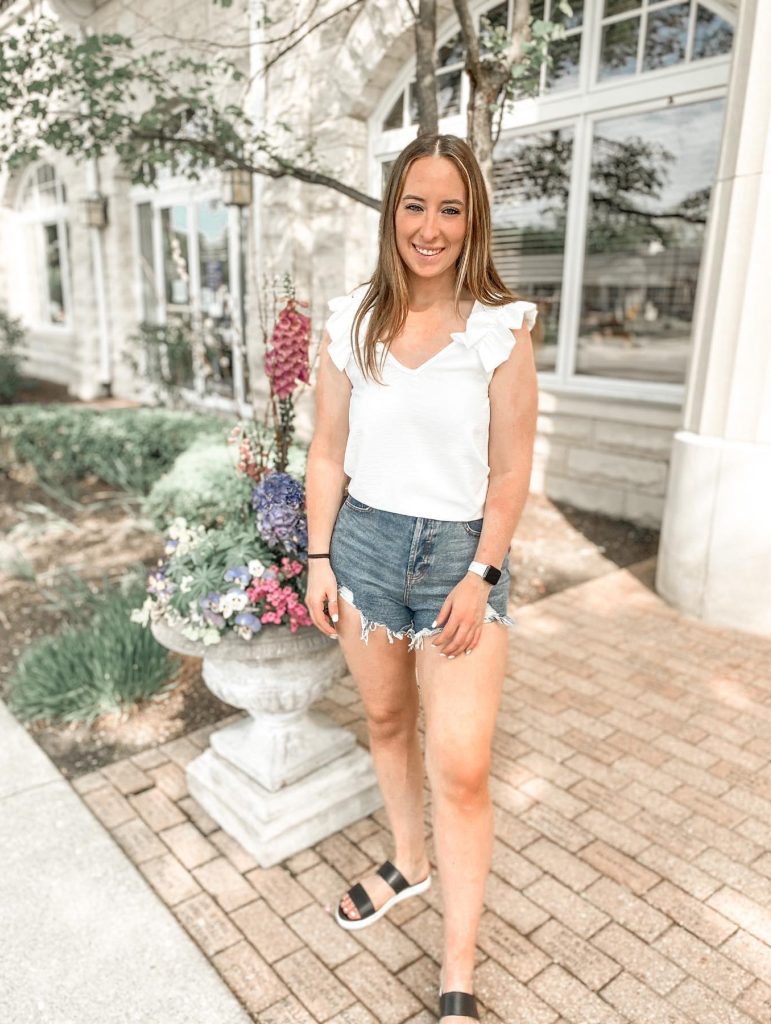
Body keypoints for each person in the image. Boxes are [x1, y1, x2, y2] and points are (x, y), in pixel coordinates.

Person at [304, 132, 539, 1023]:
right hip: (362, 550)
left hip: (458, 563)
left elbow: (509, 471)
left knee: (463, 767)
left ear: (471, 219)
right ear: (391, 213)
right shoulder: (350, 322)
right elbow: (327, 451)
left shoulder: (498, 329)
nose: (429, 227)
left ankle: (457, 972)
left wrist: (482, 573)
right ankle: (408, 861)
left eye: (449, 208)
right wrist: (318, 557)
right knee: (385, 720)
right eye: (414, 205)